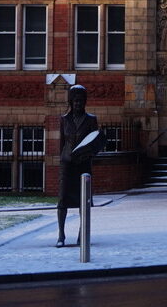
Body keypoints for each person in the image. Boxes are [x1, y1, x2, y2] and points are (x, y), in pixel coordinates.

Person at [56, 84, 104, 247]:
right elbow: (62, 143)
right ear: (70, 102)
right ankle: (61, 235)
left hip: (83, 166)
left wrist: (87, 154)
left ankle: (81, 234)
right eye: (75, 101)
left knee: (85, 201)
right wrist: (63, 159)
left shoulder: (91, 120)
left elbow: (95, 144)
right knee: (63, 200)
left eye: (81, 101)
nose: (78, 104)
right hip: (67, 164)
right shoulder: (64, 120)